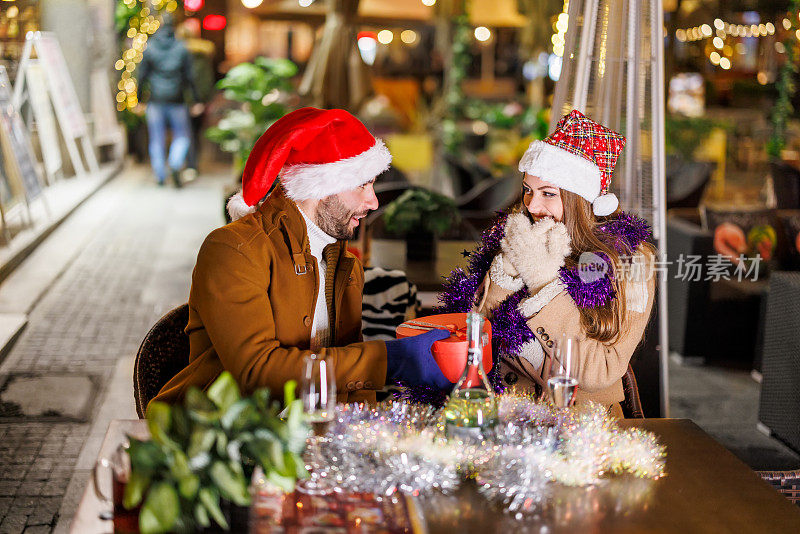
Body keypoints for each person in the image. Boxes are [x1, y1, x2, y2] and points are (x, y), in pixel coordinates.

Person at [151, 107, 451, 408]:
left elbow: (351, 382)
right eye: (363, 184)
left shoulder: (343, 263)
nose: (372, 202)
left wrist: (365, 432)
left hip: (308, 437)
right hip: (223, 438)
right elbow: (257, 372)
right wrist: (389, 360)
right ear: (322, 186)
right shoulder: (234, 250)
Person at [438, 110, 656, 418]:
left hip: (584, 428)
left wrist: (542, 282)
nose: (532, 205)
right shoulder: (519, 239)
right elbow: (475, 339)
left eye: (548, 194)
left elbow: (600, 372)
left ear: (581, 200)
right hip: (504, 414)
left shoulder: (633, 262)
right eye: (528, 190)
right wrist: (506, 274)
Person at [136, 14, 198, 187]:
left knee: (156, 138)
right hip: (177, 99)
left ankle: (160, 174)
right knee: (182, 135)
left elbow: (142, 76)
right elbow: (190, 77)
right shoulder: (182, 48)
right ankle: (176, 162)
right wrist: (195, 100)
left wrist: (140, 99)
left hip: (155, 100)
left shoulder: (150, 48)